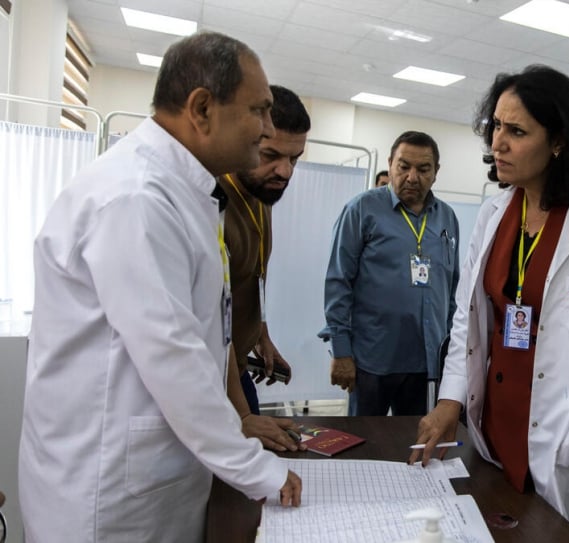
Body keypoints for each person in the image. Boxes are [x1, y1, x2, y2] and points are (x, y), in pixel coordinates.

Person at [19, 32, 301, 543]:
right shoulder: (136, 198)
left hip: (155, 478)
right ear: (202, 108)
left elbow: (207, 335)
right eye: (258, 110)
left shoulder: (189, 193)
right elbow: (173, 356)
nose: (265, 130)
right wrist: (257, 469)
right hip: (107, 496)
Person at [410, 64, 569, 543]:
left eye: (516, 131)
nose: (498, 143)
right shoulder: (495, 211)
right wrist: (450, 400)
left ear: (559, 141)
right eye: (495, 127)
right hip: (499, 430)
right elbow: (469, 320)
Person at [324, 131, 460, 416]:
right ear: (390, 163)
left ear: (436, 173)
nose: (412, 177)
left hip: (426, 361)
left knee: (413, 446)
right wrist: (341, 350)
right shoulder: (361, 210)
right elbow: (339, 282)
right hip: (372, 359)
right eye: (403, 166)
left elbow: (451, 287)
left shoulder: (446, 217)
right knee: (366, 445)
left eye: (423, 169)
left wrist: (450, 351)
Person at [218, 84, 309, 449]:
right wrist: (241, 418)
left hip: (236, 368)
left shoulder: (261, 195)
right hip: (212, 379)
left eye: (295, 159)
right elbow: (210, 327)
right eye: (270, 154)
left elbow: (250, 276)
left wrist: (260, 333)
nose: (284, 172)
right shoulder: (213, 207)